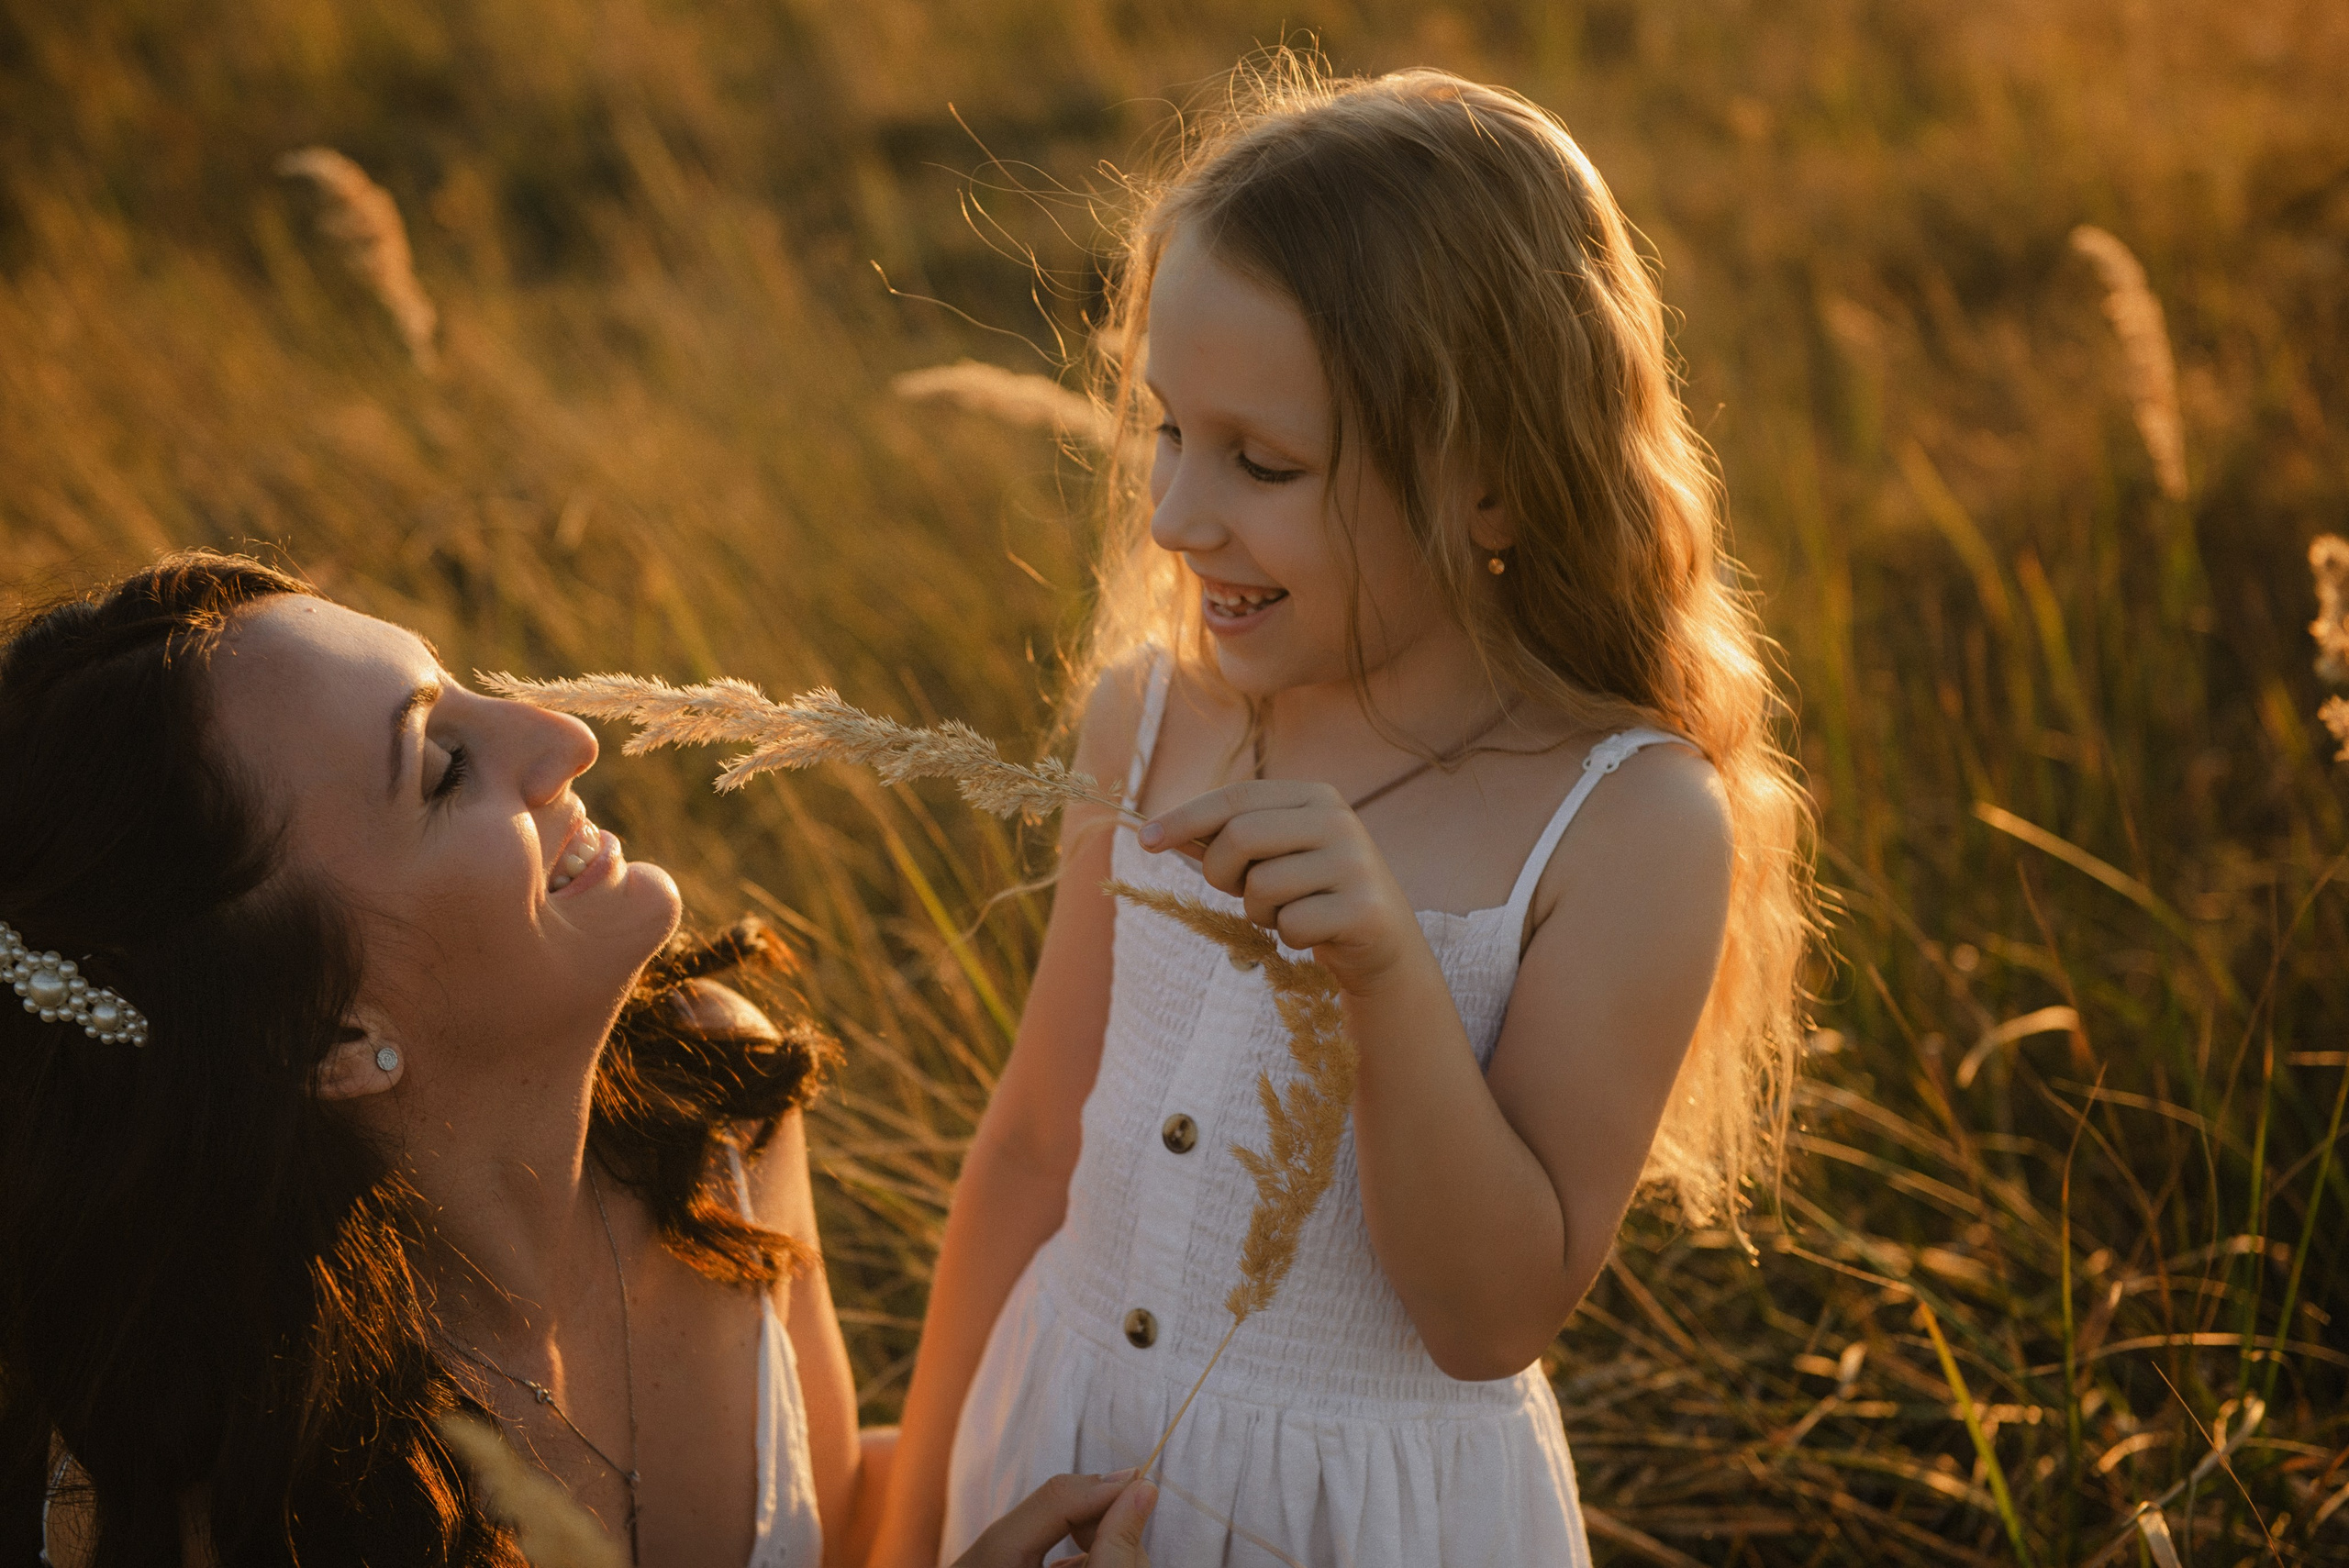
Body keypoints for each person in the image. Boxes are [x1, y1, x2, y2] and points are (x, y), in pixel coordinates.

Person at [871, 61, 1815, 1567]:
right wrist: (907, 1531)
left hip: (1358, 1514)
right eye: (1170, 431)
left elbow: (1486, 1314)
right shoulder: (1153, 718)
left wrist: (1387, 973)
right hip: (1050, 1429)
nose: (1179, 515)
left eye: (1265, 461)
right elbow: (1034, 1144)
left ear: (1491, 487)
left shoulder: (1625, 826)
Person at [0, 552, 1155, 1568]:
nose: (564, 736)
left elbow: (838, 1524)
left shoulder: (711, 1103)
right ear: (331, 1038)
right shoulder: (222, 1483)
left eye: (460, 681)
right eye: (443, 767)